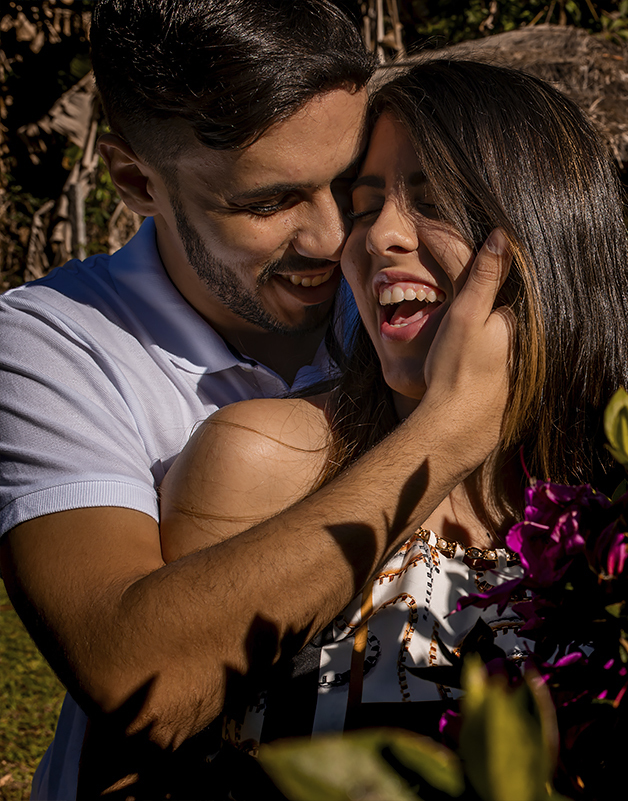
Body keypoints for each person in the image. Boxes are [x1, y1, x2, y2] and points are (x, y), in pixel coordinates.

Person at [0, 2, 513, 798]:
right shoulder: (49, 345)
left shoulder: (392, 294)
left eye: (346, 182)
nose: (332, 236)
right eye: (268, 203)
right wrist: (447, 430)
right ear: (138, 180)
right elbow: (141, 680)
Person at [157, 57, 628, 750]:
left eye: (434, 200)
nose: (375, 237)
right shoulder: (268, 461)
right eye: (364, 208)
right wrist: (448, 423)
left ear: (549, 234)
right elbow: (152, 735)